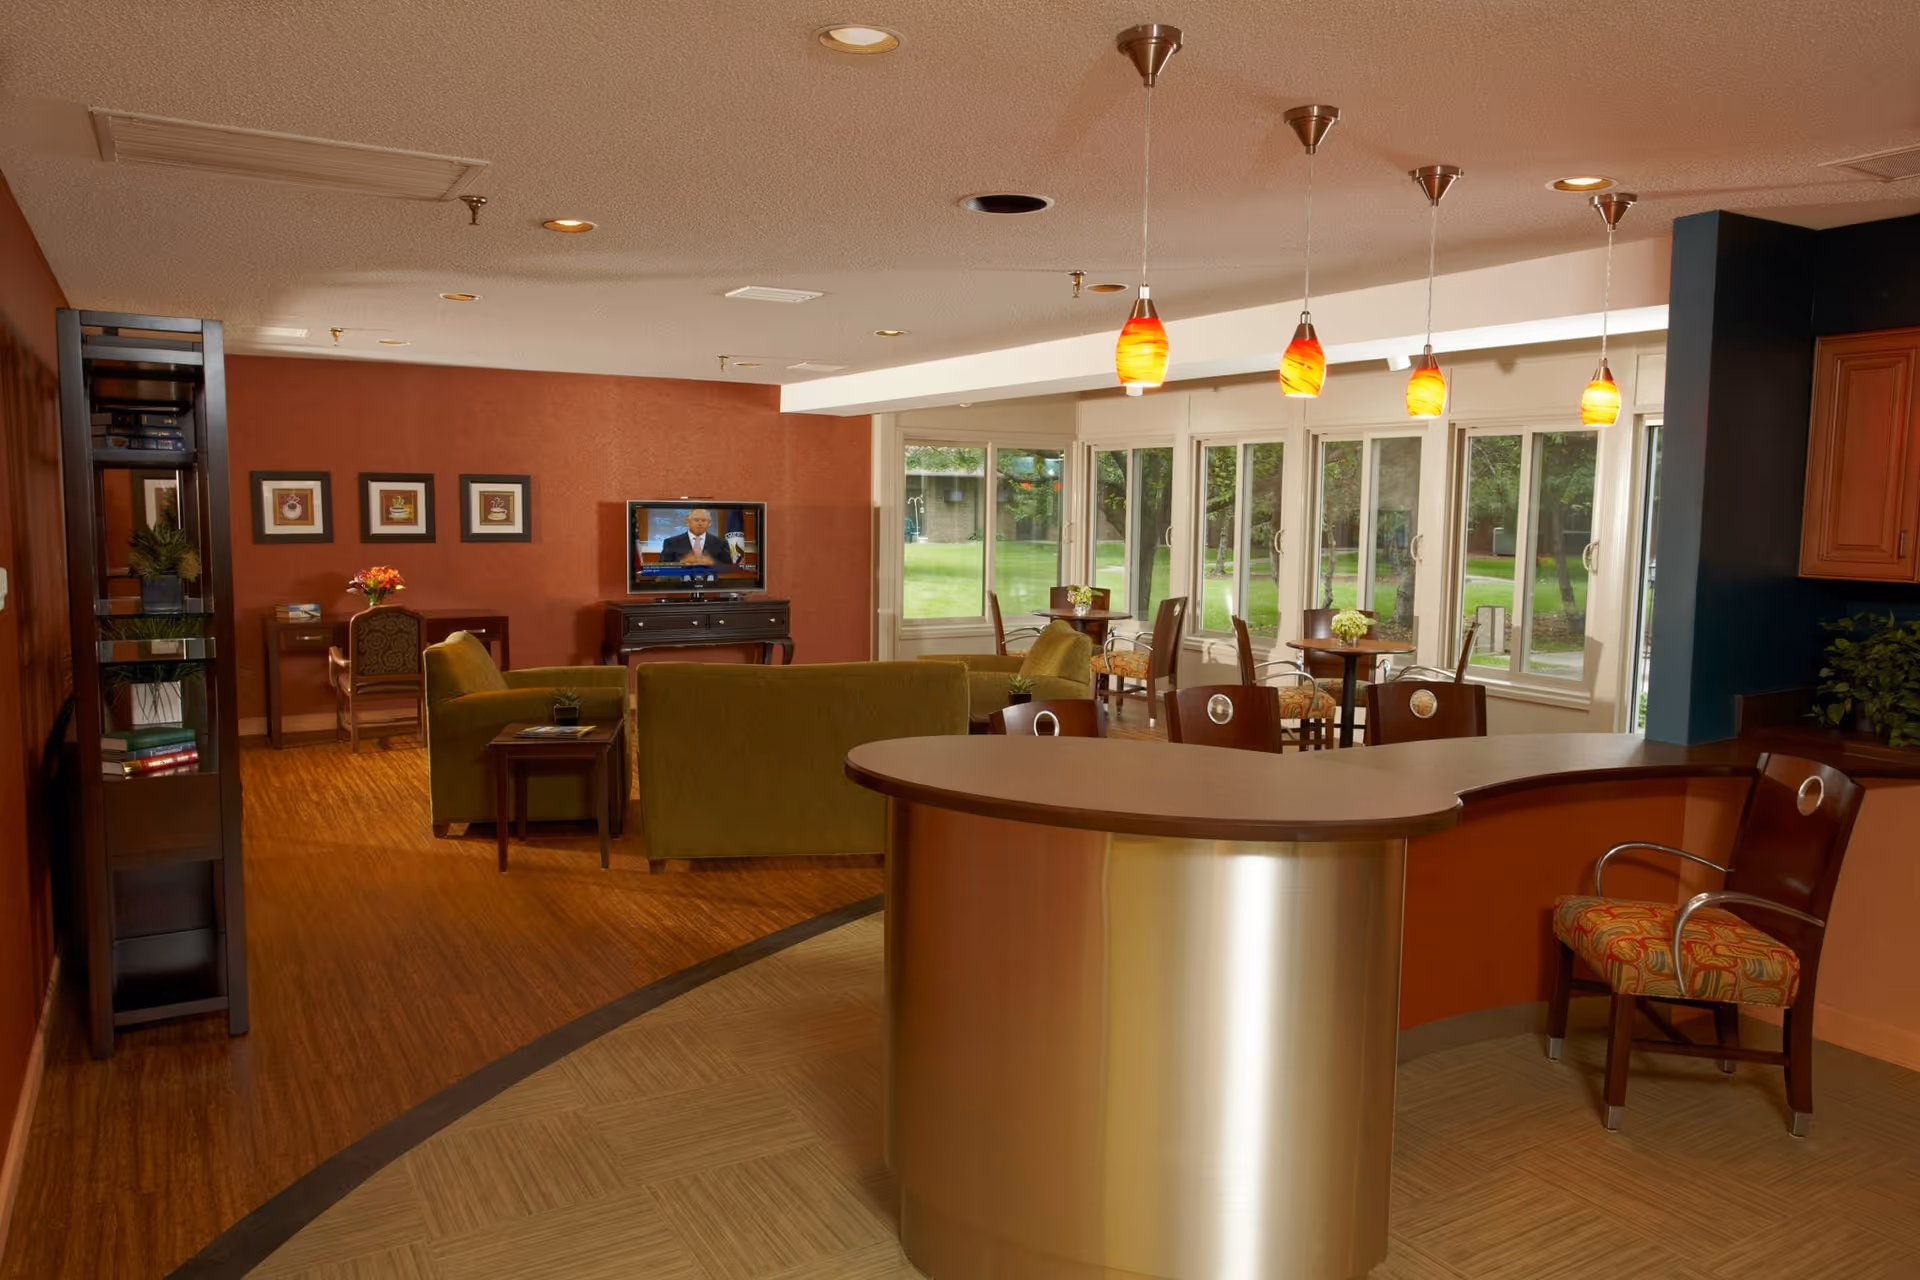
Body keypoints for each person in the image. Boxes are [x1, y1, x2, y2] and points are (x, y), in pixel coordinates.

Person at [658, 509, 736, 566]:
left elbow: (728, 567)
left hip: (711, 585)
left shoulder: (721, 543)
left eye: (703, 520)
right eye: (696, 520)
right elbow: (662, 566)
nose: (700, 523)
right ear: (688, 522)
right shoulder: (671, 542)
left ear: (709, 523)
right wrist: (682, 562)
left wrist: (712, 563)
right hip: (680, 585)